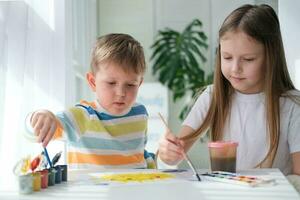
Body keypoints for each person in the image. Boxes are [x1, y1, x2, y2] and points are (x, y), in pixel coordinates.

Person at [158, 4, 300, 176]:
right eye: (227, 57)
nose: (235, 68)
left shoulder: (292, 105)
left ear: (271, 57)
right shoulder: (212, 96)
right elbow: (174, 157)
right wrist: (168, 151)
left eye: (248, 59)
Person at [26, 33, 156, 169]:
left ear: (139, 83)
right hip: (92, 190)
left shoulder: (140, 113)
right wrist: (41, 116)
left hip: (134, 188)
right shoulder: (81, 116)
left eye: (130, 85)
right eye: (111, 83)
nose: (121, 93)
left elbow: (138, 152)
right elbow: (39, 129)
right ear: (93, 82)